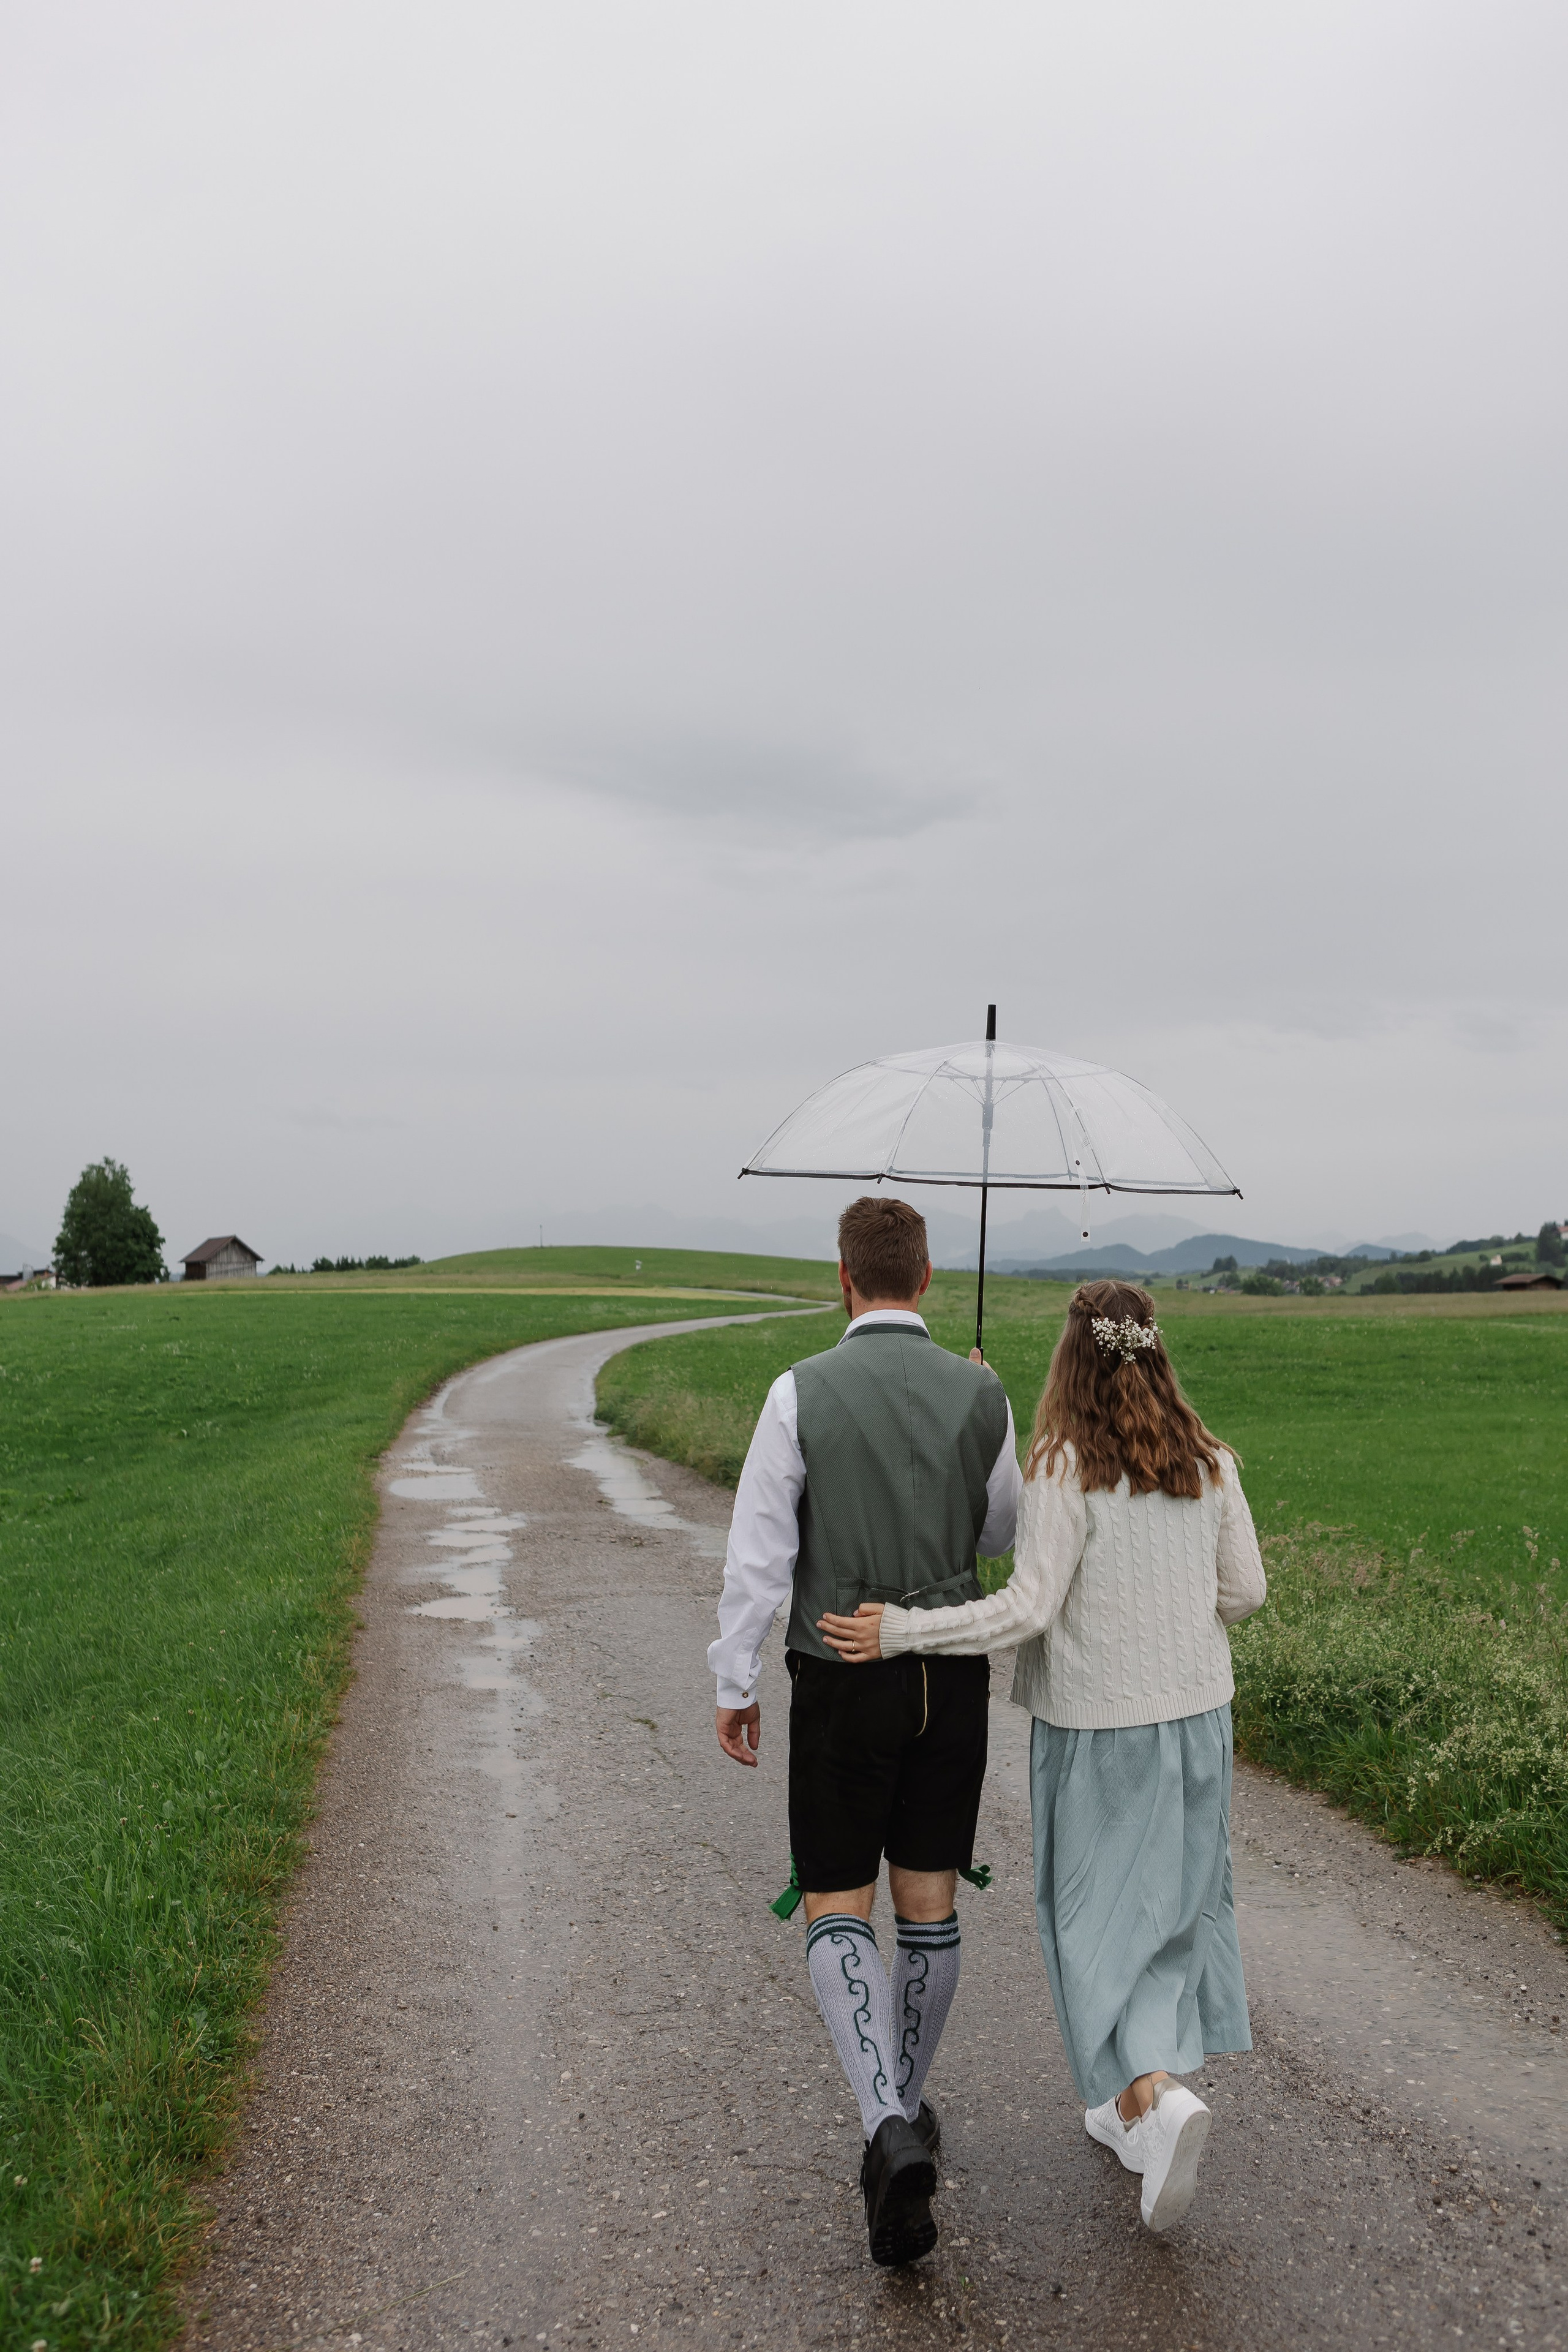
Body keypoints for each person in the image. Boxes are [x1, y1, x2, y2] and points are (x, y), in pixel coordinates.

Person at [820, 1278, 1266, 2234]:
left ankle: (1156, 2091)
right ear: (1154, 1351)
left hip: (1098, 1730)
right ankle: (1131, 2110)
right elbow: (1245, 1595)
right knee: (1168, 1913)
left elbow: (1026, 1607)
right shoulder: (1212, 1460)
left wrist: (904, 1630)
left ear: (1073, 1356)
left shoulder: (1065, 1464)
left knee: (1088, 1924)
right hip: (1198, 1725)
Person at [709, 1196, 1021, 2267]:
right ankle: (906, 2111)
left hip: (842, 1671)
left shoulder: (799, 1392)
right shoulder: (980, 1391)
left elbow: (758, 1554)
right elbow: (1002, 1530)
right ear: (927, 1278)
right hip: (951, 1675)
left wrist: (734, 1678)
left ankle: (887, 2121)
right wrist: (976, 1412)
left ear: (842, 1278)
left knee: (838, 1903)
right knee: (927, 1903)